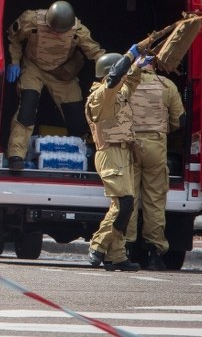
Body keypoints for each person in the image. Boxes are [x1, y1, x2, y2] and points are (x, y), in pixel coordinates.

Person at [5, 0, 105, 171]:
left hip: (61, 73)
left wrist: (110, 69)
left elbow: (95, 52)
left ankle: (82, 154)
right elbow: (13, 37)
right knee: (27, 108)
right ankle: (16, 154)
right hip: (33, 67)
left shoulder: (78, 31)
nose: (57, 34)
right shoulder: (32, 20)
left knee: (75, 114)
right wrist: (14, 61)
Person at [85, 45, 143, 272]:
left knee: (122, 205)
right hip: (109, 152)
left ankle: (116, 256)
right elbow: (116, 78)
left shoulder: (117, 92)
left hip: (124, 152)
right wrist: (130, 55)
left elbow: (129, 83)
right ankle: (98, 245)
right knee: (124, 204)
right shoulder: (100, 96)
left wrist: (139, 65)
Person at [125, 56, 185, 270]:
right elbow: (179, 120)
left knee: (128, 199)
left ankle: (126, 250)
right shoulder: (166, 85)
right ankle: (154, 253)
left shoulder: (125, 82)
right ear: (154, 66)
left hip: (129, 145)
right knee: (154, 201)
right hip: (156, 146)